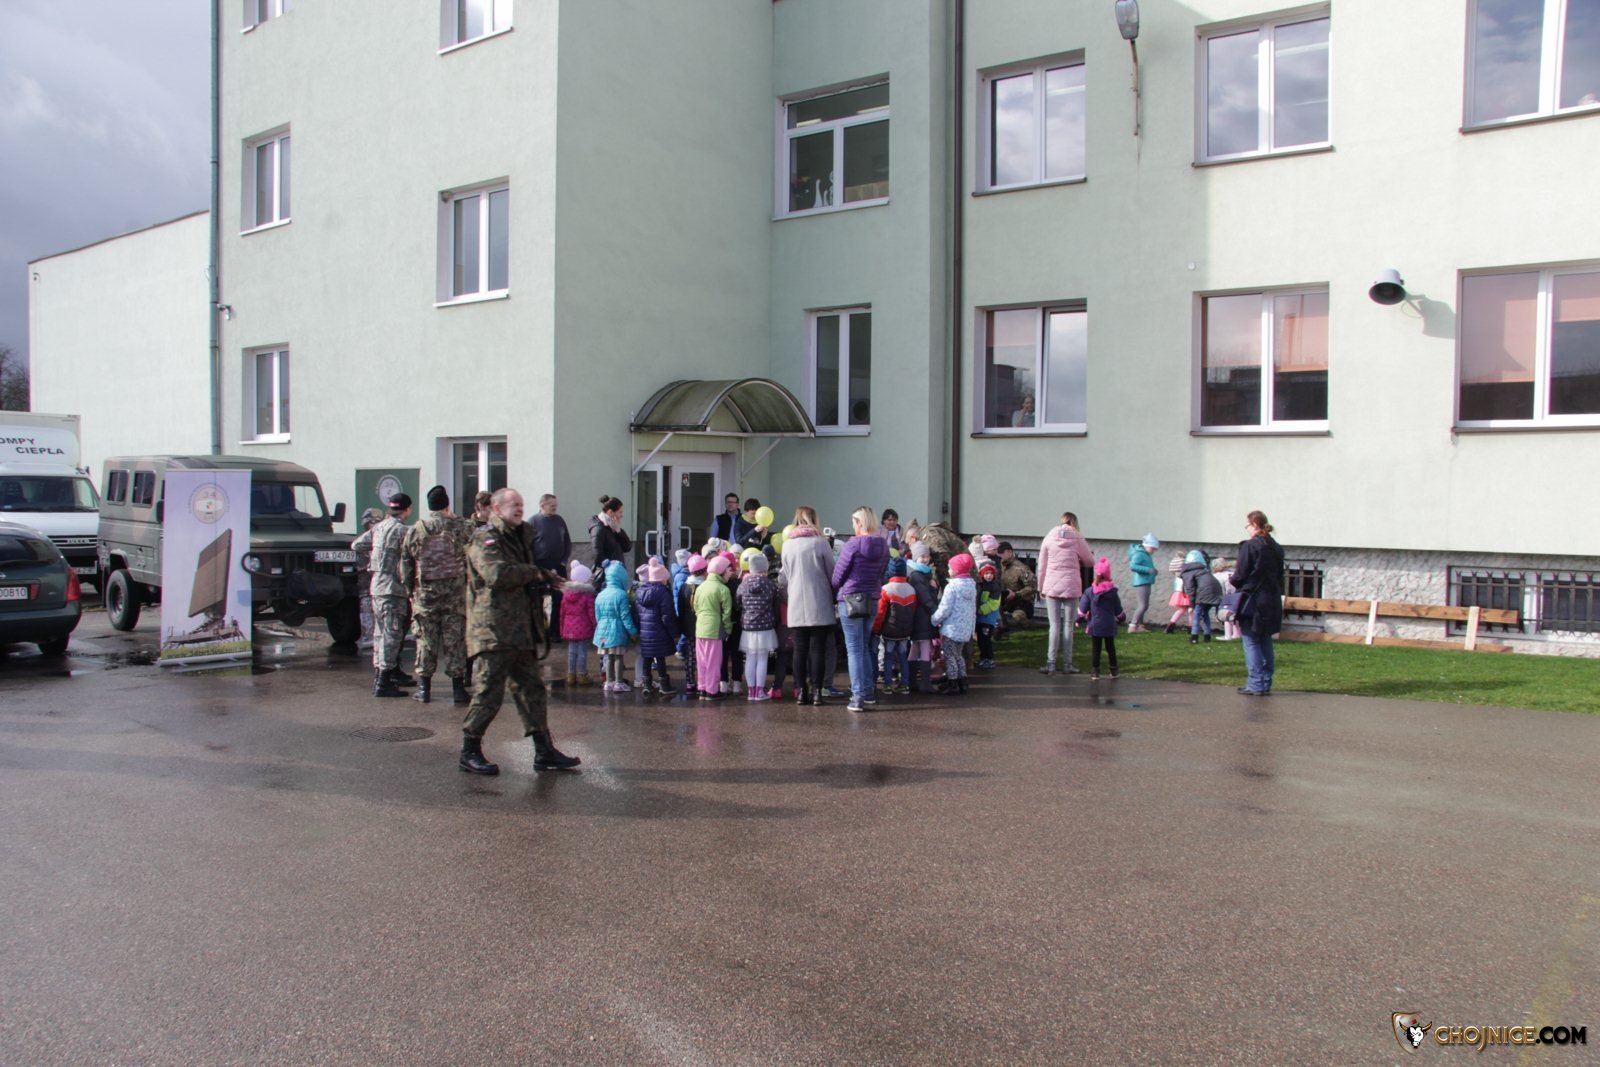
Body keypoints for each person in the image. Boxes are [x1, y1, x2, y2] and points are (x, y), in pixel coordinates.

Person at [458, 488, 579, 776]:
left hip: (520, 630)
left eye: (521, 504)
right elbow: (496, 574)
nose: (519, 508)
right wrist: (535, 573)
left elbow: (523, 572)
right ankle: (469, 750)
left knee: (532, 690)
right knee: (489, 691)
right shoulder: (485, 538)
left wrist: (545, 578)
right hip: (493, 631)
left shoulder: (519, 537)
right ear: (496, 509)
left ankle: (544, 751)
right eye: (513, 504)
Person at [401, 485, 472, 705]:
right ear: (447, 505)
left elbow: (406, 563)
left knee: (426, 641)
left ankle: (424, 690)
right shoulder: (460, 527)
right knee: (455, 641)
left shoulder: (416, 530)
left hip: (426, 597)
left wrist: (410, 591)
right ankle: (458, 690)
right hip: (454, 597)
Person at [832, 505, 889, 712]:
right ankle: (868, 691)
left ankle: (857, 697)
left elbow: (838, 576)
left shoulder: (852, 545)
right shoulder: (883, 545)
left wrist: (836, 589)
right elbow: (883, 573)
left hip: (850, 599)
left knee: (854, 649)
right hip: (872, 597)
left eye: (853, 521)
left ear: (859, 522)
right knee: (864, 646)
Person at [778, 506, 836, 706]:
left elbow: (785, 575)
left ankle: (801, 691)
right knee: (818, 649)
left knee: (799, 649)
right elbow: (832, 572)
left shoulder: (787, 545)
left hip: (796, 601)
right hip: (819, 600)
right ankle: (817, 691)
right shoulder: (821, 543)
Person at [1231, 511, 1286, 696]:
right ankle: (1265, 682)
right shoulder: (1276, 547)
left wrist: (1234, 581)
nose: (1246, 529)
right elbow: (1280, 575)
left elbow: (1240, 575)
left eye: (1247, 525)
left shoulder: (1250, 546)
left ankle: (1255, 683)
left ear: (1254, 525)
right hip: (1272, 598)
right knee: (1265, 639)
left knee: (1251, 640)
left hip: (1253, 599)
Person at [367, 492, 415, 698]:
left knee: (381, 634)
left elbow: (357, 544)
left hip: (377, 587)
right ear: (407, 509)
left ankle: (385, 674)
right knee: (392, 636)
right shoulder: (404, 531)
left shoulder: (379, 527)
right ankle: (383, 682)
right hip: (393, 589)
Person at [1036, 511, 1093, 676]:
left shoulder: (1049, 537)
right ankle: (1067, 665)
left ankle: (1051, 664)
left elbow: (1041, 565)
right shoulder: (1078, 538)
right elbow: (1090, 561)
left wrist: (1041, 587)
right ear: (1074, 522)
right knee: (1068, 626)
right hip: (1071, 585)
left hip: (1051, 585)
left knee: (1054, 625)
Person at [931, 552, 977, 695]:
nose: (948, 570)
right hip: (965, 628)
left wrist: (934, 619)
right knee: (958, 655)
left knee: (949, 656)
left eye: (950, 567)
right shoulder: (971, 586)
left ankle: (953, 683)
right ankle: (962, 680)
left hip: (951, 628)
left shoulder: (952, 587)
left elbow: (945, 608)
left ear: (956, 570)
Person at [1077, 557, 1127, 680]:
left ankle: (1095, 671)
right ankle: (1114, 670)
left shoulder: (1090, 591)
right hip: (1109, 625)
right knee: (1110, 648)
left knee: (1096, 649)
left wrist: (1078, 620)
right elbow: (1118, 610)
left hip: (1095, 625)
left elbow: (1082, 609)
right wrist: (1121, 619)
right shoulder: (1112, 592)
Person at [736, 554, 778, 701]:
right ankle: (760, 691)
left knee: (750, 658)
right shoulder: (770, 584)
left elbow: (738, 603)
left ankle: (751, 692)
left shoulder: (743, 585)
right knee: (762, 659)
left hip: (748, 626)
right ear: (764, 568)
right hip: (765, 626)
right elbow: (774, 602)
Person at [592, 560, 638, 693]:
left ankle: (609, 682)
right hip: (617, 631)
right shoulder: (621, 595)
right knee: (618, 656)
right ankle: (619, 682)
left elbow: (597, 616)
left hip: (602, 631)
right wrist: (633, 631)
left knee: (608, 657)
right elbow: (625, 617)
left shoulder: (600, 595)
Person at [635, 559, 679, 696]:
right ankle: (664, 685)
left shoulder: (639, 591)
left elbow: (637, 614)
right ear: (662, 578)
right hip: (660, 632)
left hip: (645, 632)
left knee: (647, 658)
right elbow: (667, 616)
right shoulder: (663, 593)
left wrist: (638, 630)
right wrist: (674, 632)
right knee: (660, 658)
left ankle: (646, 685)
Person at [693, 555, 734, 700]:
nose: (730, 573)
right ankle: (712, 691)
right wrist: (728, 629)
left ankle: (702, 688)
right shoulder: (723, 589)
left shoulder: (700, 587)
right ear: (721, 571)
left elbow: (696, 607)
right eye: (728, 570)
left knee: (702, 661)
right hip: (714, 629)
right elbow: (727, 614)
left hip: (700, 628)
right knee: (714, 662)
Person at [531, 493, 572, 634]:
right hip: (539, 565)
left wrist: (563, 561)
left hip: (558, 565)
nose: (555, 507)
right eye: (552, 505)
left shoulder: (559, 520)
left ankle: (555, 632)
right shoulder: (533, 522)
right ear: (542, 505)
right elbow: (527, 546)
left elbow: (567, 541)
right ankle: (538, 633)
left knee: (558, 598)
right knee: (537, 599)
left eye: (556, 505)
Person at [874, 556, 915, 694]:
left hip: (889, 630)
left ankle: (887, 685)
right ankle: (905, 684)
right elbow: (913, 610)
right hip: (905, 631)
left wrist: (876, 629)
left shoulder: (885, 589)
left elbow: (880, 613)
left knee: (888, 656)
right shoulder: (911, 589)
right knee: (903, 656)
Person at [905, 541, 939, 694]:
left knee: (915, 647)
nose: (925, 559)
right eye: (922, 556)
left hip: (917, 617)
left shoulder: (918, 574)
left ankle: (911, 682)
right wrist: (936, 613)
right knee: (925, 648)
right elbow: (926, 599)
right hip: (922, 618)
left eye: (927, 556)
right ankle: (925, 683)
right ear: (915, 557)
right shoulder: (917, 576)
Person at [350, 507, 385, 651]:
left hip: (380, 586)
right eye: (371, 522)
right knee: (366, 609)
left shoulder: (383, 539)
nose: (374, 525)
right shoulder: (362, 542)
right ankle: (368, 638)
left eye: (377, 522)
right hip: (366, 586)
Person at [559, 562, 597, 687]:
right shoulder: (587, 596)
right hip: (583, 628)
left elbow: (562, 613)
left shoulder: (566, 595)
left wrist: (562, 628)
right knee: (582, 652)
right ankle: (582, 674)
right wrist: (595, 626)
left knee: (571, 651)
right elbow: (591, 613)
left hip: (569, 628)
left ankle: (571, 674)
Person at [1181, 548, 1223, 644]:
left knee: (1196, 613)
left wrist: (1192, 604)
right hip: (1215, 590)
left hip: (1205, 593)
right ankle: (1207, 636)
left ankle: (1194, 637)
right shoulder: (1203, 570)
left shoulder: (1188, 573)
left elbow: (1190, 590)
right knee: (1204, 613)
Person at [589, 495, 632, 576]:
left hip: (617, 573)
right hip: (607, 576)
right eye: (620, 512)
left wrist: (619, 532)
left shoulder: (614, 526)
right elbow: (598, 554)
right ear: (610, 512)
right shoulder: (598, 528)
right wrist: (611, 568)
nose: (622, 515)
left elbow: (627, 547)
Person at [997, 542, 1036, 628]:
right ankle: (1003, 626)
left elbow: (1032, 587)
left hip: (1021, 601)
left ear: (1010, 552)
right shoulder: (998, 566)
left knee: (1018, 616)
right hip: (1003, 599)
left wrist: (1016, 594)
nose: (999, 555)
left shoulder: (1021, 568)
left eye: (1001, 552)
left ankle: (1027, 624)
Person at [1127, 533, 1159, 632]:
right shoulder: (1139, 554)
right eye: (1152, 548)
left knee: (1143, 605)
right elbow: (1133, 566)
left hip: (1144, 581)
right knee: (1143, 605)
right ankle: (1133, 625)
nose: (1153, 551)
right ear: (1147, 546)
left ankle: (1139, 625)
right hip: (1142, 581)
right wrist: (1149, 570)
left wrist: (1153, 571)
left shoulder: (1144, 553)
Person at [1214, 557, 1242, 641]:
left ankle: (1227, 635)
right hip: (1238, 595)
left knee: (1226, 615)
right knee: (1235, 616)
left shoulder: (1221, 575)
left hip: (1228, 596)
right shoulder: (1236, 574)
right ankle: (1237, 634)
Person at [1163, 554, 1191, 634]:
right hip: (1186, 593)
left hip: (1179, 593)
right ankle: (1191, 627)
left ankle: (1170, 626)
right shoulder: (1184, 576)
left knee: (1182, 609)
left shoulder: (1176, 577)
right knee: (1191, 610)